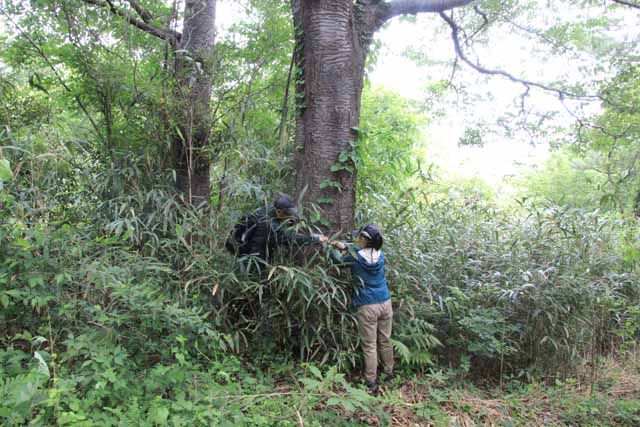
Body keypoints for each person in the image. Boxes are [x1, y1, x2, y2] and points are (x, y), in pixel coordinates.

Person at [329, 224, 394, 394]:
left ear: (364, 239)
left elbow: (336, 260)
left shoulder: (355, 258)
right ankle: (389, 372)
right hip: (385, 303)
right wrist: (347, 246)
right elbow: (361, 250)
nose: (358, 239)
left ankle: (371, 381)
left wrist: (331, 248)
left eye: (360, 237)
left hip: (368, 305)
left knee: (370, 345)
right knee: (385, 339)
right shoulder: (380, 255)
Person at [227, 194, 326, 269]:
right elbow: (288, 239)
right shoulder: (269, 225)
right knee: (258, 270)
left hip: (244, 241)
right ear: (279, 211)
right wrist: (314, 238)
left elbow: (282, 220)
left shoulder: (270, 209)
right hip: (248, 251)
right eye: (287, 214)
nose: (290, 216)